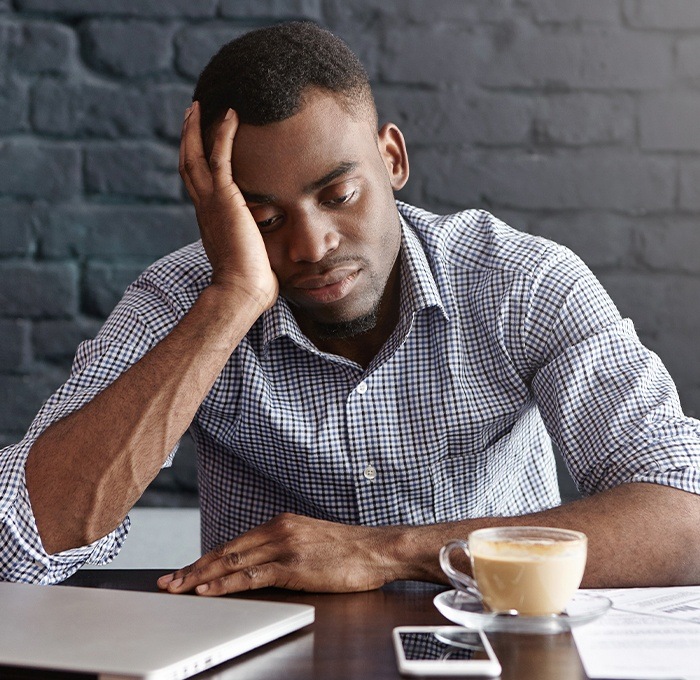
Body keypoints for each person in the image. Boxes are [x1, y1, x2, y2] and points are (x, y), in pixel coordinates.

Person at [2, 21, 699, 593]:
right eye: (264, 216)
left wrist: (388, 552)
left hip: (497, 650)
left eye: (338, 196)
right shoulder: (185, 302)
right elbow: (18, 550)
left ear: (391, 158)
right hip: (265, 659)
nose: (311, 245)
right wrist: (231, 302)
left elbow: (686, 521)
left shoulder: (520, 283)